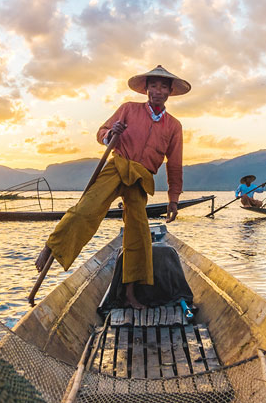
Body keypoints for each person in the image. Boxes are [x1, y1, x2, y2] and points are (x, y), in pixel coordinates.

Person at [35, 65, 189, 309]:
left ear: (170, 92)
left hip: (141, 178)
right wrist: (111, 134)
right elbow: (101, 132)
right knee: (88, 209)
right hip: (117, 165)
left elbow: (175, 165)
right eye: (153, 85)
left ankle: (130, 294)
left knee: (138, 234)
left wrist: (173, 199)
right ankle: (52, 245)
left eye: (163, 87)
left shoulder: (173, 126)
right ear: (147, 89)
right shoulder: (129, 109)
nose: (158, 91)